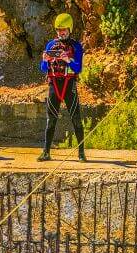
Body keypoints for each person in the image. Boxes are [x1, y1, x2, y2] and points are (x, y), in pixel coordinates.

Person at [38, 13, 86, 162]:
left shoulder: (76, 46)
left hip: (69, 85)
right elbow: (43, 68)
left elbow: (78, 68)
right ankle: (46, 152)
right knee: (51, 120)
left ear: (69, 29)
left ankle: (81, 153)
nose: (61, 32)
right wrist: (45, 60)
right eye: (59, 30)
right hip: (54, 85)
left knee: (76, 119)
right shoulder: (50, 45)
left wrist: (67, 59)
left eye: (64, 29)